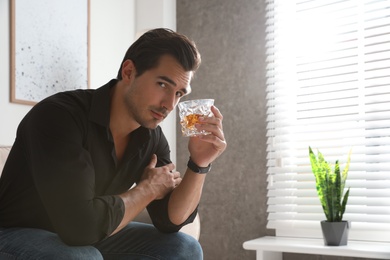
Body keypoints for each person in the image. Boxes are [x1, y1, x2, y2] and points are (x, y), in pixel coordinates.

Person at [0, 28, 227, 259]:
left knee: (184, 248)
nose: (169, 104)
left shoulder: (151, 136)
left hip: (89, 232)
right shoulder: (59, 116)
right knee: (82, 257)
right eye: (162, 85)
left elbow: (169, 220)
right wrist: (147, 189)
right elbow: (78, 228)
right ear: (129, 71)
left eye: (179, 93)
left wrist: (199, 163)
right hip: (15, 233)